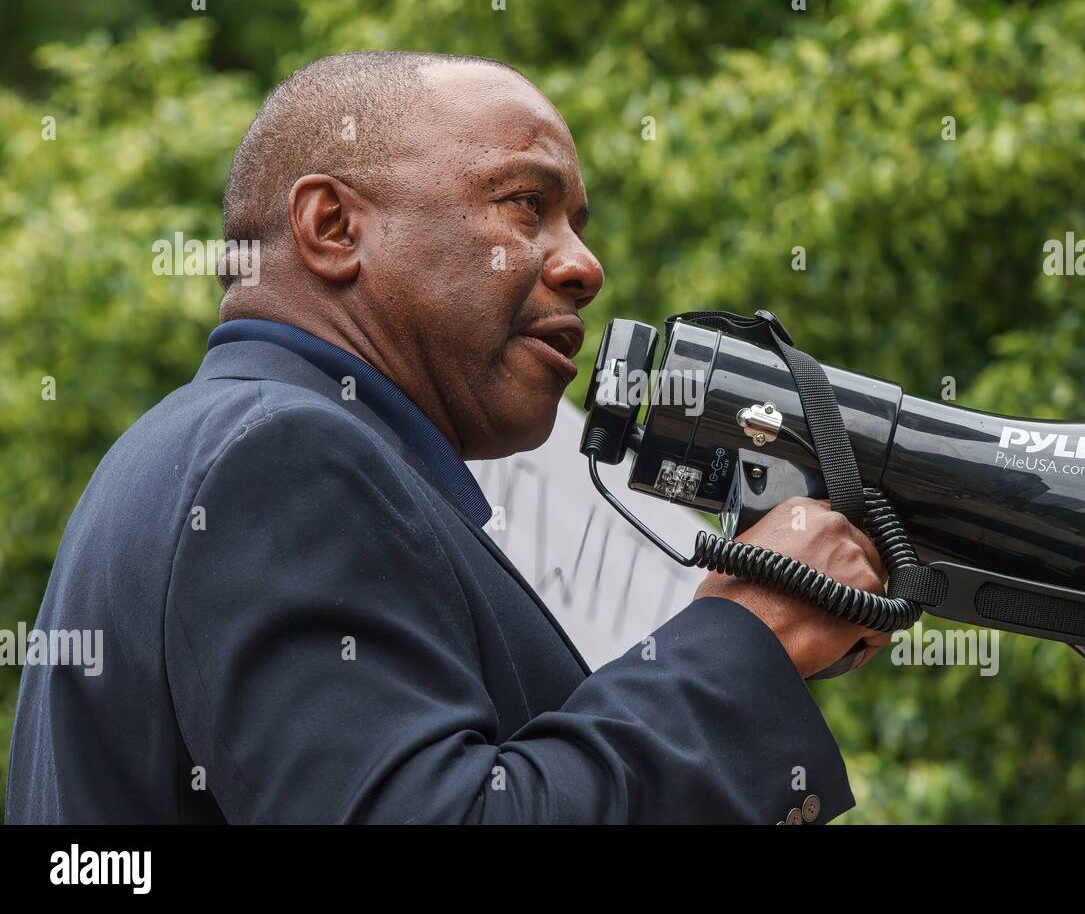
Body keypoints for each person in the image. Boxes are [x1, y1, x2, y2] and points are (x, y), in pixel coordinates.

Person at [6, 52, 890, 823]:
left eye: (576, 222)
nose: (584, 265)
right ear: (332, 227)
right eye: (524, 204)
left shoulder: (203, 445)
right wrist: (749, 635)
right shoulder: (284, 460)